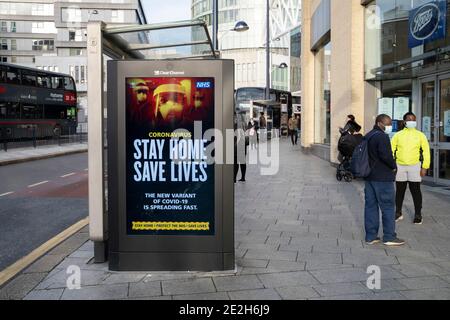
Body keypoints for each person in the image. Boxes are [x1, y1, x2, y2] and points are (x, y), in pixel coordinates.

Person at [364, 114, 405, 246]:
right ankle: (389, 237)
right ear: (379, 123)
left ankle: (371, 236)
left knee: (370, 207)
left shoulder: (369, 135)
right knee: (387, 207)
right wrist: (394, 166)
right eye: (387, 123)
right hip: (383, 178)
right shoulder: (382, 136)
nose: (389, 126)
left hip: (370, 177)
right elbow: (386, 155)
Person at [391, 112, 431, 225]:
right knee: (399, 191)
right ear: (404, 122)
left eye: (413, 119)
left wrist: (425, 166)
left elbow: (426, 152)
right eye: (409, 119)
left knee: (416, 191)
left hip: (415, 166)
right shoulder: (397, 135)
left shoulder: (420, 135)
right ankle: (398, 212)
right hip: (400, 166)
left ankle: (418, 214)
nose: (412, 121)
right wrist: (392, 165)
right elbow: (391, 150)